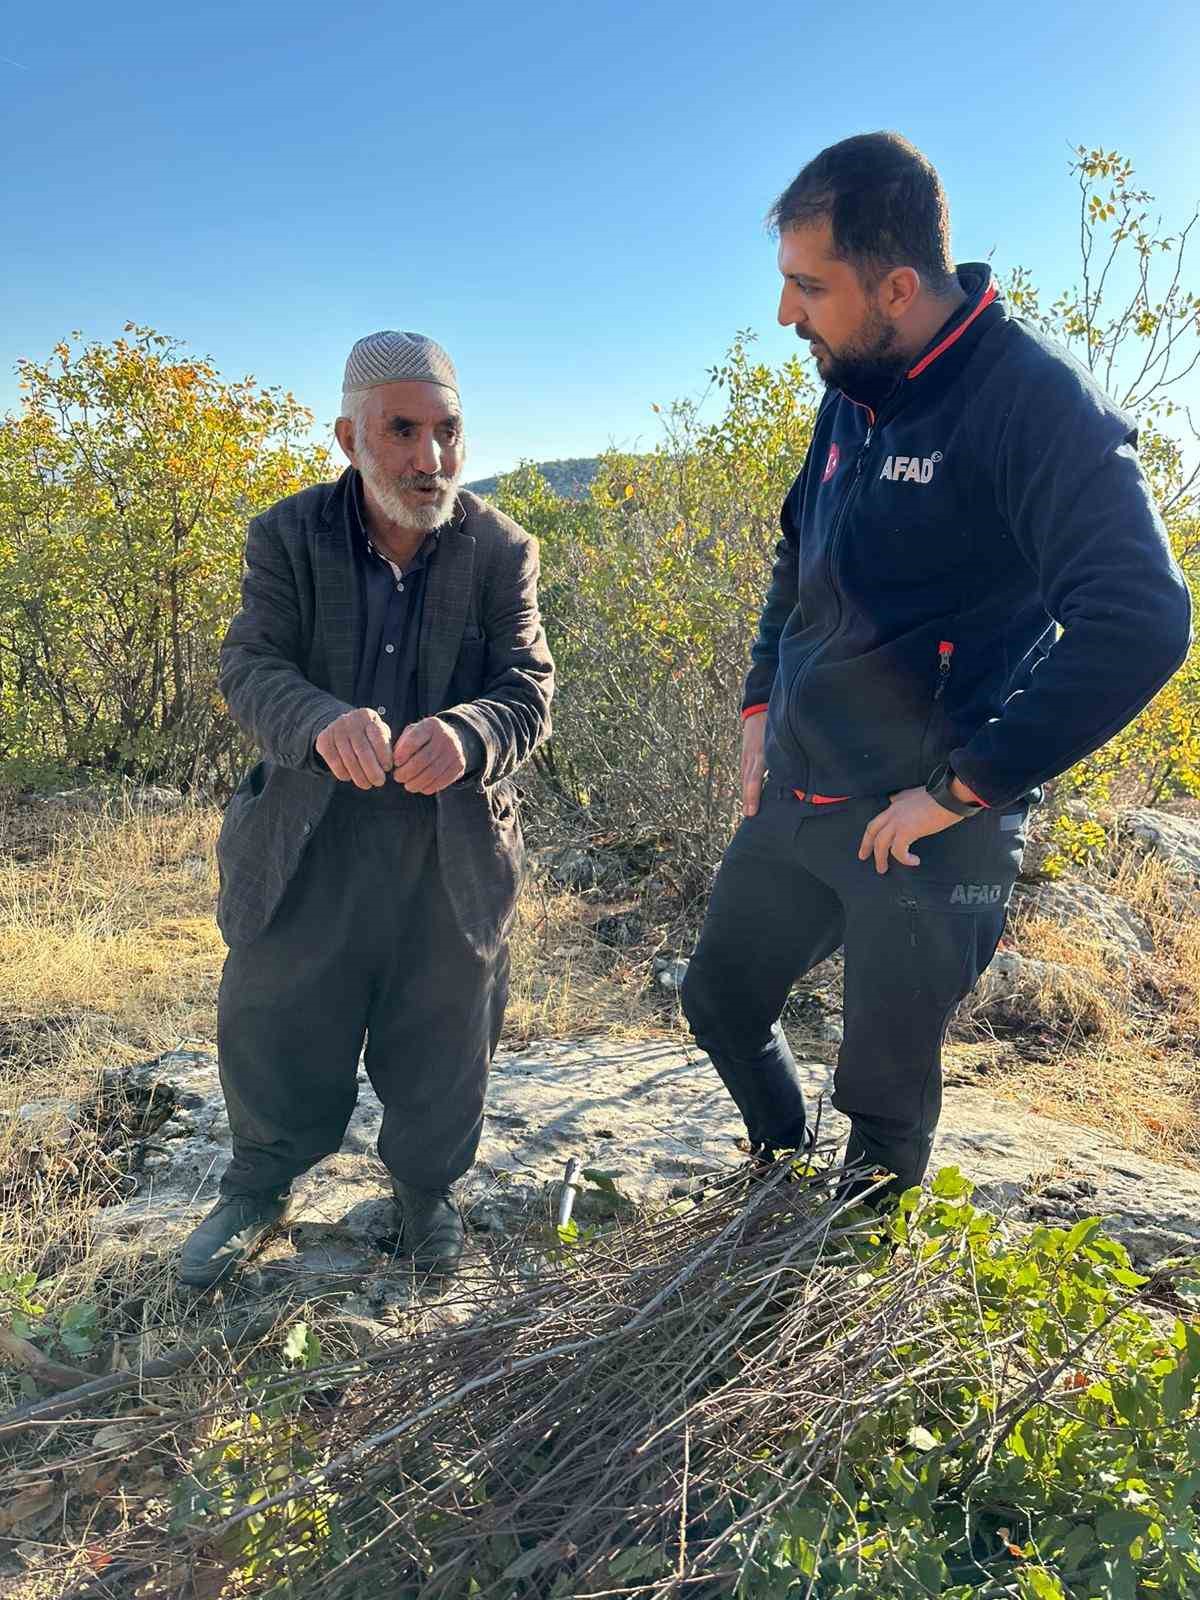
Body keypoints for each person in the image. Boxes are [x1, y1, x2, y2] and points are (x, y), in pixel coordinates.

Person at [681, 133, 1191, 1199]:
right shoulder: (854, 379)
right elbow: (799, 550)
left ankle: (851, 1264)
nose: (788, 316)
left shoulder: (1034, 403)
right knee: (718, 1000)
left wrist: (963, 789)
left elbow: (1143, 618)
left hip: (925, 829)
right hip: (802, 791)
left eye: (807, 287)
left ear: (898, 285)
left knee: (884, 1100)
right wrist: (759, 700)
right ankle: (776, 1181)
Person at [180, 331, 554, 1287]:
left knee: (445, 1027)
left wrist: (469, 735)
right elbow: (249, 667)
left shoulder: (502, 549)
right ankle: (260, 1183)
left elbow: (528, 688)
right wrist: (319, 722)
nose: (429, 459)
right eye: (402, 431)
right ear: (350, 437)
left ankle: (426, 1191)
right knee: (275, 1014)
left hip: (451, 846)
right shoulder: (288, 535)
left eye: (447, 432)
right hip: (307, 836)